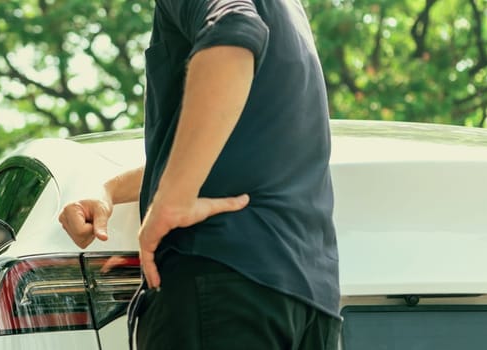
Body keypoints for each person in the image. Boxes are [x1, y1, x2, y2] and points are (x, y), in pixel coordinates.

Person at [57, 0, 341, 348]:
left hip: (220, 280)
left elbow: (233, 30)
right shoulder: (288, 10)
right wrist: (110, 190)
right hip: (309, 301)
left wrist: (172, 200)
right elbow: (225, 143)